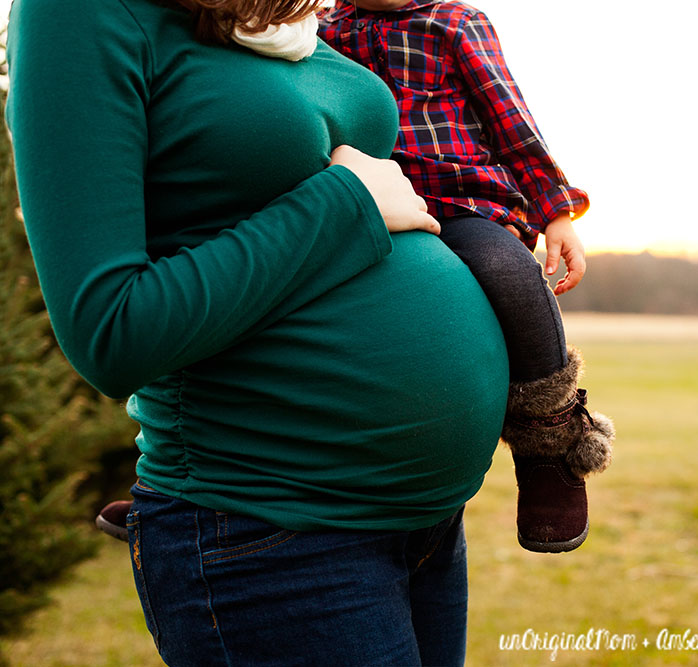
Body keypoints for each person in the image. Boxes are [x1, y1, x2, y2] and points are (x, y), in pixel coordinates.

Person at [5, 0, 511, 661]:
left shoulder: (273, 13)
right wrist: (347, 203)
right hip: (270, 531)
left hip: (423, 523)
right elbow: (109, 327)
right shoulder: (78, 14)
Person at [319, 0, 615, 553]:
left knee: (508, 273)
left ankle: (549, 444)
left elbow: (511, 119)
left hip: (461, 204)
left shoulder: (454, 22)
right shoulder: (320, 30)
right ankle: (180, 480)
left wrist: (554, 212)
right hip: (366, 200)